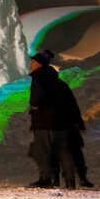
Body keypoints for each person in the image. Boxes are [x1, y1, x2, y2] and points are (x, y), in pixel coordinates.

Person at [27, 50, 76, 189]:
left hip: (45, 120)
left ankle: (46, 178)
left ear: (39, 64)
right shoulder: (54, 77)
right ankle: (70, 180)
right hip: (59, 120)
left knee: (43, 150)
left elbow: (37, 96)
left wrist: (34, 105)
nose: (30, 64)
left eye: (33, 62)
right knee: (63, 151)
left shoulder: (39, 76)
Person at [56, 71, 94, 188]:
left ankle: (63, 179)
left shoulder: (53, 86)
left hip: (60, 125)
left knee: (63, 152)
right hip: (69, 124)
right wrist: (78, 122)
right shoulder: (62, 86)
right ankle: (80, 177)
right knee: (74, 152)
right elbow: (73, 105)